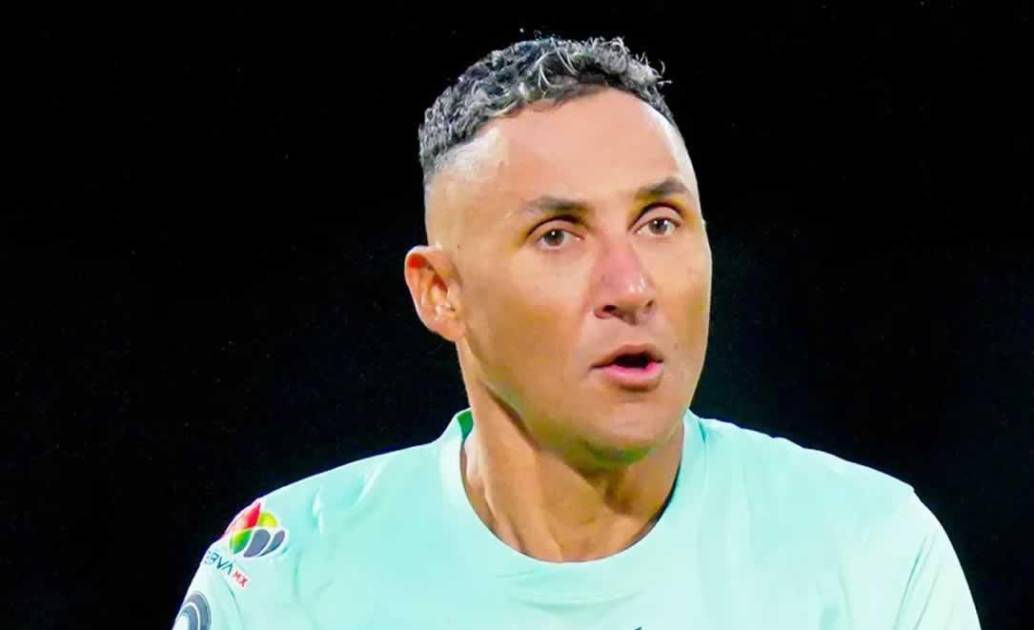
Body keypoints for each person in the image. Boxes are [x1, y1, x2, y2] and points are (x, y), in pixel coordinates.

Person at [173, 35, 982, 629]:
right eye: (558, 235)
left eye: (659, 222)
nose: (630, 288)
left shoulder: (872, 557)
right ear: (441, 294)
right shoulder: (287, 579)